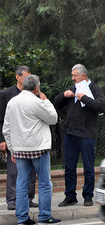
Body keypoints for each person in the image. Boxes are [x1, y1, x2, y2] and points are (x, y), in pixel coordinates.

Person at [3, 75, 60, 225]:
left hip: (20, 150)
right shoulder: (36, 102)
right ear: (36, 88)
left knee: (21, 182)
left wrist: (12, 149)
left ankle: (22, 218)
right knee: (44, 183)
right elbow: (53, 118)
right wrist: (46, 100)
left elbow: (6, 129)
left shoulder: (12, 102)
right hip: (38, 149)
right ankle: (45, 216)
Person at [54, 64, 105, 207]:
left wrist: (84, 98)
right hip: (70, 134)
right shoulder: (73, 88)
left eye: (74, 76)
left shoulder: (95, 89)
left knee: (88, 167)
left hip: (87, 135)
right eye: (72, 75)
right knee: (69, 167)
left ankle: (88, 196)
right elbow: (56, 103)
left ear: (83, 76)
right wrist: (63, 95)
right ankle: (70, 196)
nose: (72, 78)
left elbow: (102, 106)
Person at [0, 66, 38, 210]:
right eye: (27, 76)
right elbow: (1, 119)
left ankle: (29, 198)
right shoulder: (6, 94)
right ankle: (12, 200)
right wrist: (2, 139)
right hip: (13, 139)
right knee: (13, 170)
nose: (29, 79)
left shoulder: (33, 93)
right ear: (18, 77)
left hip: (30, 139)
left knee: (31, 171)